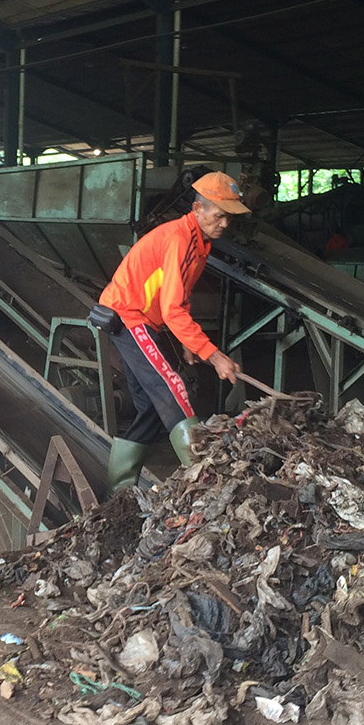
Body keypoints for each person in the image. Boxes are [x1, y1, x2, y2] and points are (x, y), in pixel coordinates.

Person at [96, 171, 248, 493]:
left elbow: (179, 297)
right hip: (128, 315)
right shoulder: (179, 239)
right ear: (197, 209)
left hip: (142, 319)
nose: (224, 224)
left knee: (152, 406)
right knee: (175, 390)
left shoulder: (199, 243)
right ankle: (209, 485)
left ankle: (118, 490)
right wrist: (215, 355)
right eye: (219, 216)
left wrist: (186, 342)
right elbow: (172, 309)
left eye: (229, 218)